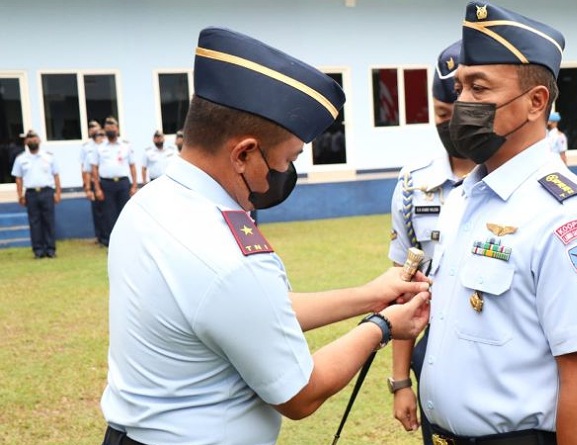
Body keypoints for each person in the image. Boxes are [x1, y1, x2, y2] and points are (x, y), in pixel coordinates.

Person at [99, 27, 431, 445]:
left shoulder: (152, 202)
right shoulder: (224, 254)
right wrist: (382, 326)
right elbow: (299, 394)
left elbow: (255, 313)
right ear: (243, 154)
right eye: (288, 158)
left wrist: (370, 294)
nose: (288, 172)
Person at [419, 4, 577, 444]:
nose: (462, 104)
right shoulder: (466, 196)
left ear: (536, 103)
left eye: (479, 87)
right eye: (459, 89)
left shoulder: (567, 216)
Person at [389, 40, 475, 445]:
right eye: (443, 114)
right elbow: (403, 290)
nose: (452, 123)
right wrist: (400, 380)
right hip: (434, 352)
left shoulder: (515, 184)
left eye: (462, 113)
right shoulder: (413, 184)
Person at [11, 130, 62, 258]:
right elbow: (18, 178)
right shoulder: (21, 159)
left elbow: (56, 176)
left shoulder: (49, 156)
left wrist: (58, 192)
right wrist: (20, 195)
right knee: (34, 222)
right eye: (29, 138)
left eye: (34, 138)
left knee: (48, 221)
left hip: (46, 191)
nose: (32, 140)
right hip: (31, 193)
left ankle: (50, 249)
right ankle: (38, 250)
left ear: (39, 140)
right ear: (25, 142)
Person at [91, 116, 136, 246]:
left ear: (117, 129)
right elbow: (94, 169)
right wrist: (97, 188)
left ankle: (126, 242)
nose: (110, 129)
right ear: (104, 130)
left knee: (125, 213)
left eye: (112, 126)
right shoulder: (99, 147)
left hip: (122, 183)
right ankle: (111, 242)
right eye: (107, 127)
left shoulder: (125, 145)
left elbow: (132, 166)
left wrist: (133, 185)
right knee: (108, 214)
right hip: (106, 184)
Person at [81, 121, 106, 244]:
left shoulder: (108, 147)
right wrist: (87, 187)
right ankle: (100, 236)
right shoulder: (87, 148)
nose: (98, 136)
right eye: (91, 128)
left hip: (107, 182)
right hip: (93, 181)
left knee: (109, 210)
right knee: (97, 211)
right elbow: (85, 169)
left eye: (100, 133)